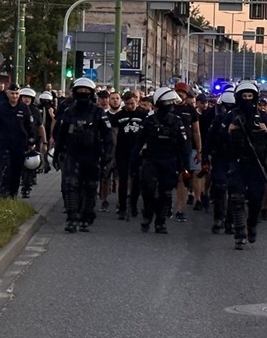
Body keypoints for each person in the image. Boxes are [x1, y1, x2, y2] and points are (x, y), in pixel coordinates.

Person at [223, 81, 267, 249]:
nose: (247, 99)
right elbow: (218, 138)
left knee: (255, 200)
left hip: (257, 165)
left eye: (250, 96)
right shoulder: (231, 116)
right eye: (244, 96)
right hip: (238, 163)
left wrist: (266, 130)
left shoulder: (262, 116)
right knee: (237, 198)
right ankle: (240, 233)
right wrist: (228, 131)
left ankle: (252, 224)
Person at [53, 78, 114, 232]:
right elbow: (61, 135)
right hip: (72, 154)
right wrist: (56, 153)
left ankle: (86, 217)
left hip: (92, 154)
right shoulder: (69, 112)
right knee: (70, 185)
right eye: (80, 91)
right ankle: (72, 217)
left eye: (86, 91)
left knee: (90, 187)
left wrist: (108, 154)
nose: (83, 94)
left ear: (92, 93)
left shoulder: (98, 112)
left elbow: (108, 135)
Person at [131, 86, 190, 234]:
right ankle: (148, 215)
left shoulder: (177, 121)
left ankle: (161, 221)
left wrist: (185, 164)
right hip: (151, 159)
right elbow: (139, 141)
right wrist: (133, 160)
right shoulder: (149, 121)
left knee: (166, 192)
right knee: (148, 190)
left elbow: (183, 144)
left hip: (169, 160)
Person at [0, 83, 37, 198]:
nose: (14, 96)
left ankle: (13, 194)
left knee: (16, 171)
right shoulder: (1, 107)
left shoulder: (24, 108)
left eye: (17, 93)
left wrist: (31, 141)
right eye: (12, 93)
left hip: (20, 144)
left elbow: (29, 126)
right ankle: (3, 194)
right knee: (6, 168)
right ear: (7, 93)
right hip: (4, 143)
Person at [205, 87, 236, 234]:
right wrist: (205, 154)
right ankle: (219, 218)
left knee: (234, 190)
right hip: (220, 157)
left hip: (236, 158)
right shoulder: (218, 120)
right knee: (219, 186)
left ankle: (230, 220)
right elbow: (210, 138)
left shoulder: (243, 119)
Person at [112, 91, 145, 220]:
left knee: (136, 180)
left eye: (132, 103)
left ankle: (134, 205)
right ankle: (122, 207)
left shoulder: (143, 114)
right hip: (122, 151)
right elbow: (114, 133)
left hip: (137, 152)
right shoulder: (119, 116)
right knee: (123, 179)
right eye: (127, 104)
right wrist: (113, 152)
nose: (130, 106)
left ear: (136, 101)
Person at [172, 82, 202, 221]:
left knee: (181, 179)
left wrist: (199, 150)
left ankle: (179, 209)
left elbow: (196, 131)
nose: (180, 94)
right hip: (168, 147)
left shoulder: (190, 110)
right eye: (178, 91)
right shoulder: (167, 107)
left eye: (183, 92)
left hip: (186, 147)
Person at [18, 88, 46, 198]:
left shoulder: (35, 111)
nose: (26, 99)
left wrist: (45, 142)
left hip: (32, 141)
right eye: (24, 97)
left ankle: (26, 187)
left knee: (30, 165)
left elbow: (40, 126)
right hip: (18, 141)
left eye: (29, 97)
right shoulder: (16, 109)